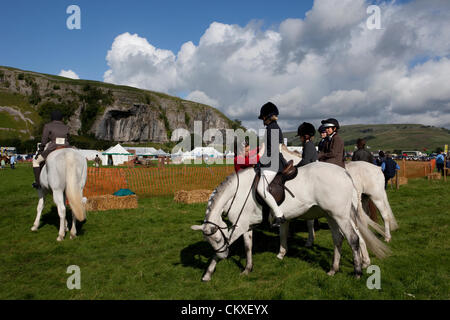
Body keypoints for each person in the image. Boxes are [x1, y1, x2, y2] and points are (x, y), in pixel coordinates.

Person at [256, 102, 287, 227]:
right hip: (271, 161)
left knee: (261, 189)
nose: (262, 120)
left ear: (267, 116)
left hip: (273, 163)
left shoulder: (273, 128)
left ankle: (279, 214)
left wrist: (261, 162)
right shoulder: (271, 127)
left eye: (263, 117)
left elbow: (273, 151)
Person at [32, 110, 71, 189]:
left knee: (35, 162)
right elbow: (69, 139)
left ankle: (38, 183)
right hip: (66, 147)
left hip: (53, 148)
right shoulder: (67, 127)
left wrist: (40, 151)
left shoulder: (48, 126)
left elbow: (43, 141)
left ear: (52, 117)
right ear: (61, 118)